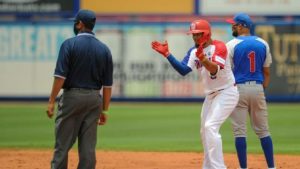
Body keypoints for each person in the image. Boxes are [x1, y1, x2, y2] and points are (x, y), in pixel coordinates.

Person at [151, 19, 239, 169]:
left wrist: (203, 59)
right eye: (193, 35)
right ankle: (208, 166)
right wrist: (167, 54)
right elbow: (183, 70)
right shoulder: (194, 51)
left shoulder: (219, 47)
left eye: (198, 34)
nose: (196, 37)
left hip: (227, 92)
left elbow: (214, 70)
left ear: (207, 33)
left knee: (210, 126)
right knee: (204, 131)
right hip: (211, 95)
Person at [46, 9, 113, 169]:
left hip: (72, 98)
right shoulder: (104, 49)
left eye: (76, 22)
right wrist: (105, 110)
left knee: (62, 145)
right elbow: (108, 85)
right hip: (94, 100)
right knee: (88, 148)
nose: (75, 25)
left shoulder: (69, 44)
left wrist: (51, 101)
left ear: (80, 24)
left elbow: (60, 77)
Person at [226, 13, 275, 169]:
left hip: (238, 88)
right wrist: (260, 90)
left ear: (242, 26)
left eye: (234, 24)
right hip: (257, 87)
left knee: (240, 132)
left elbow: (226, 72)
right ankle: (272, 167)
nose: (232, 26)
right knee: (264, 131)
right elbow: (267, 73)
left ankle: (243, 168)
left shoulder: (231, 45)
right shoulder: (263, 43)